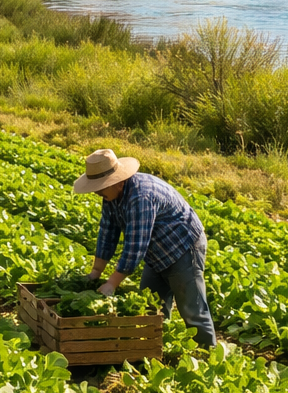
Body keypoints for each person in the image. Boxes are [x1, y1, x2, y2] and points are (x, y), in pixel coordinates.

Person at [73, 148, 216, 347]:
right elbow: (108, 232)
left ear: (117, 182)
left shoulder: (141, 197)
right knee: (152, 305)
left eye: (101, 187)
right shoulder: (111, 196)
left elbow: (135, 246)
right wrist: (96, 273)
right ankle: (155, 350)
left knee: (192, 309)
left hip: (183, 246)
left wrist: (112, 283)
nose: (97, 191)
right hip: (156, 251)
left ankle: (208, 354)